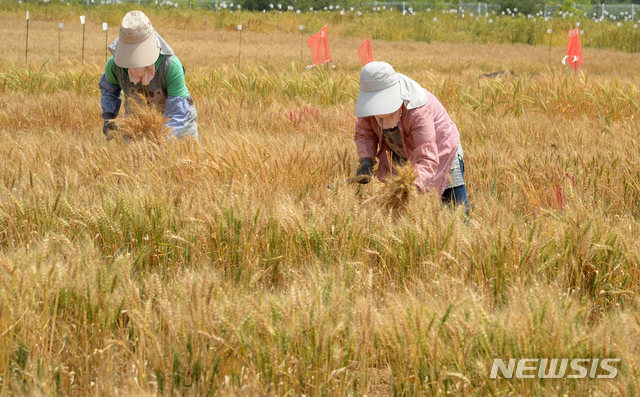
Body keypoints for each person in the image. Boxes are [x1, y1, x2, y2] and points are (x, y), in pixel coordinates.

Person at [354, 62, 469, 211]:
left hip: (441, 150)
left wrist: (415, 187)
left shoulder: (417, 109)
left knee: (456, 208)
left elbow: (427, 158)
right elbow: (365, 134)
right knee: (400, 211)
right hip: (401, 153)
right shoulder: (368, 107)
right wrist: (366, 161)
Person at [99, 11, 197, 140]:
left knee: (178, 157)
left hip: (178, 123)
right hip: (137, 123)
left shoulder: (171, 66)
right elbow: (108, 90)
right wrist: (108, 117)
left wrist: (164, 138)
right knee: (134, 159)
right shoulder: (114, 65)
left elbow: (177, 111)